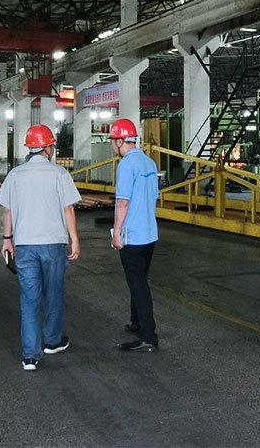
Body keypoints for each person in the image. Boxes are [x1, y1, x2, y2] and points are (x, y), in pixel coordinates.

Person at [0, 125, 81, 371]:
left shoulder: (15, 175)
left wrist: (7, 239)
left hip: (25, 245)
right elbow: (68, 208)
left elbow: (7, 210)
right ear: (48, 148)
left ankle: (30, 356)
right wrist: (74, 239)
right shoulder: (59, 173)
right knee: (53, 294)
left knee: (29, 299)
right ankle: (52, 341)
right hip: (53, 244)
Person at [109, 118, 160, 352]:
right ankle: (136, 322)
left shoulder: (126, 164)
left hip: (132, 235)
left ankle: (148, 336)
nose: (112, 145)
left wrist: (117, 233)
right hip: (149, 234)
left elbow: (122, 202)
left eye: (113, 141)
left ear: (120, 141)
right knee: (138, 280)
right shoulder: (149, 162)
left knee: (138, 285)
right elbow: (154, 196)